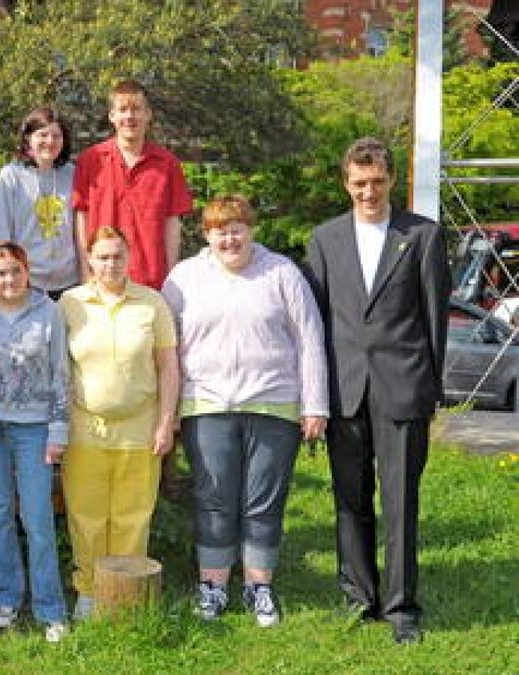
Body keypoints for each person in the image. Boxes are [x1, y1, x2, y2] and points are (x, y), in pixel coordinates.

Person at [303, 138, 450, 645]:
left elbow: (435, 320)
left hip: (403, 387)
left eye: (378, 182)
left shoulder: (423, 236)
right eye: (359, 183)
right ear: (346, 183)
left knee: (401, 501)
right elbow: (314, 324)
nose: (369, 191)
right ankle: (358, 596)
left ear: (391, 181)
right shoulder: (324, 240)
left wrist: (431, 389)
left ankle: (402, 606)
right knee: (350, 501)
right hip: (345, 391)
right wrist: (315, 396)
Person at [161, 196, 328, 627]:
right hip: (207, 403)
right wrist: (169, 408)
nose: (230, 238)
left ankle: (259, 587)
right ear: (207, 234)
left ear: (251, 230)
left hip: (274, 403)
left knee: (262, 501)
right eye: (221, 230)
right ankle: (213, 587)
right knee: (214, 499)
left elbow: (310, 337)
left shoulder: (281, 273)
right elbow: (165, 347)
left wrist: (315, 405)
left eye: (237, 228)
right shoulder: (184, 278)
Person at [58, 226, 179, 619]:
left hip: (140, 428)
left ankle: (125, 592)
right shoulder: (69, 303)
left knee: (133, 515)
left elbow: (168, 366)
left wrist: (166, 422)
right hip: (85, 428)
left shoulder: (151, 303)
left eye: (117, 256)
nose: (110, 264)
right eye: (103, 256)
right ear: (89, 259)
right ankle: (91, 591)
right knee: (86, 517)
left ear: (129, 259)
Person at [0, 242, 71, 642]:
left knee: (37, 518)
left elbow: (61, 373)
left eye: (15, 271)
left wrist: (58, 431)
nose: (9, 279)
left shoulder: (49, 312)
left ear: (27, 271)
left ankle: (50, 608)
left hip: (34, 430)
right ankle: (7, 599)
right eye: (0, 273)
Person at [71, 79, 192, 289]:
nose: (129, 116)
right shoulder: (91, 160)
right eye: (123, 109)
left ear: (148, 114)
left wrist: (172, 277)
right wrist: (85, 270)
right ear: (112, 116)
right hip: (101, 280)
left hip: (151, 280)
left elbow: (172, 225)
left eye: (136, 109)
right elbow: (81, 216)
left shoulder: (167, 164)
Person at [0, 107, 79, 299]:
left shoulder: (73, 174)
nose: (50, 141)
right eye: (43, 135)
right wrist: (9, 276)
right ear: (28, 138)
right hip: (28, 282)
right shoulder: (11, 176)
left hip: (69, 282)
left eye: (57, 136)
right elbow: (1, 233)